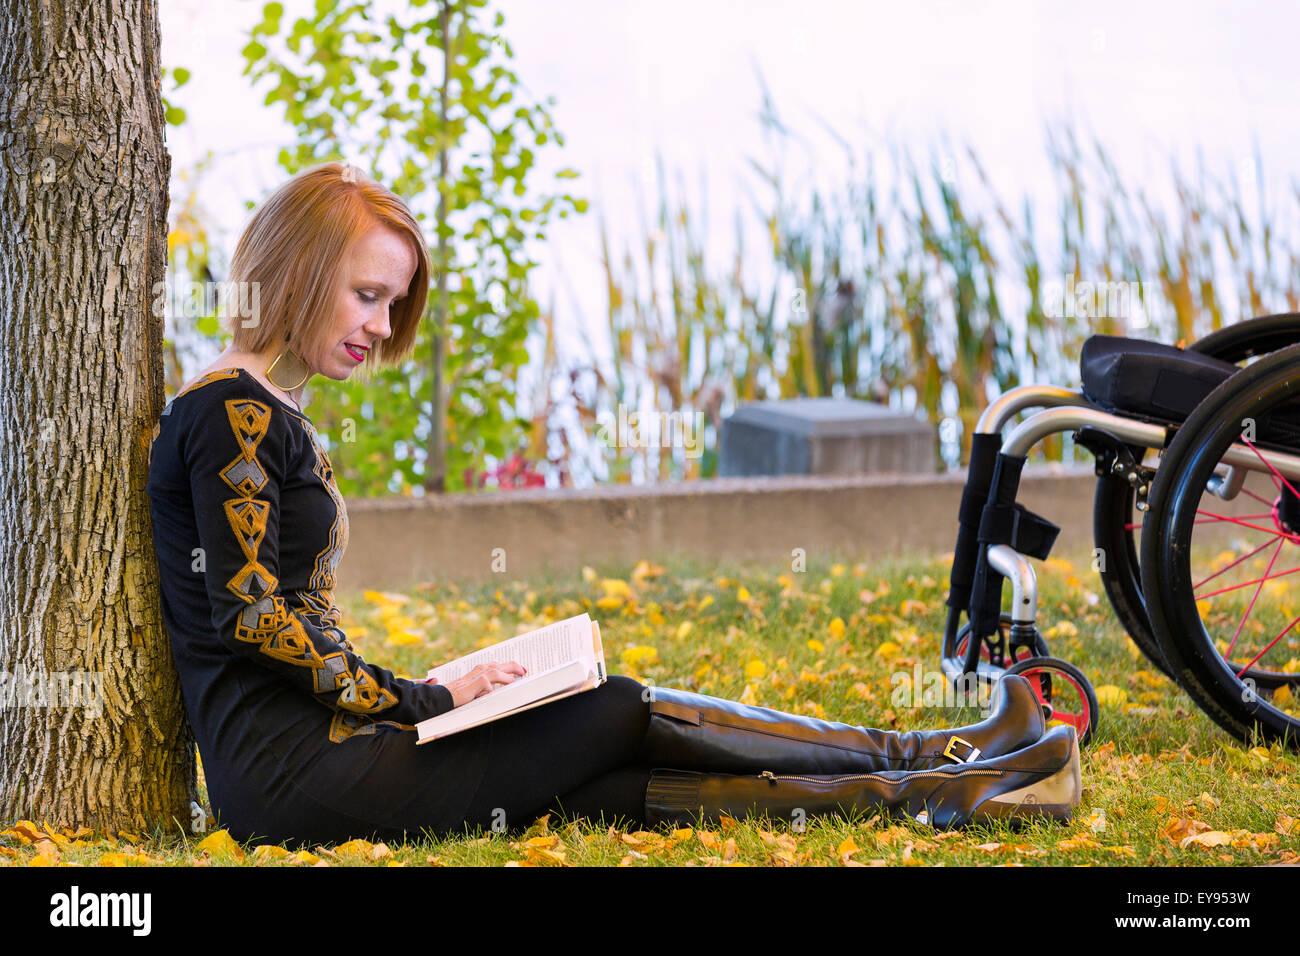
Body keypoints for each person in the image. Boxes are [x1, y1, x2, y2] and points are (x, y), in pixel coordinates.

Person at [146, 162, 1081, 849]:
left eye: (393, 303)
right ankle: (932, 752)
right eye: (367, 297)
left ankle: (949, 785)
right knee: (614, 707)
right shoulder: (230, 410)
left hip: (313, 752)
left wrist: (418, 699)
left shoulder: (253, 408)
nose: (383, 328)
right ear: (302, 270)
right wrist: (421, 700)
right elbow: (255, 621)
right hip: (292, 772)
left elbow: (276, 615)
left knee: (610, 783)